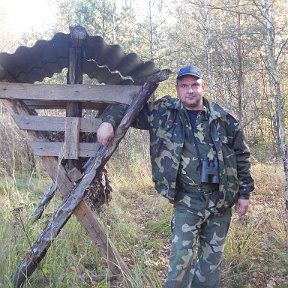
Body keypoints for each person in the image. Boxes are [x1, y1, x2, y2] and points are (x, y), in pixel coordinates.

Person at [97, 64, 255, 288]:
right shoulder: (163, 112)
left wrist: (244, 193)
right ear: (178, 89)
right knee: (180, 261)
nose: (190, 90)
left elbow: (241, 156)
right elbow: (126, 106)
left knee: (210, 265)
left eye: (195, 85)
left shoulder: (224, 120)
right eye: (185, 86)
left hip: (220, 201)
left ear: (203, 87)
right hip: (187, 201)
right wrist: (108, 122)